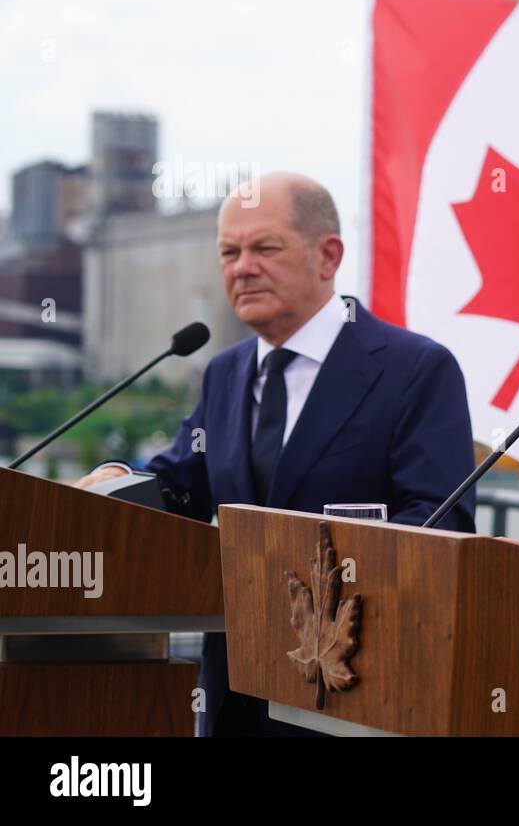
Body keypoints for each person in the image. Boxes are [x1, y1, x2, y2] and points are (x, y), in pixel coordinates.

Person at [77, 171, 477, 735]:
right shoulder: (224, 373)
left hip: (352, 697)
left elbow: (442, 521)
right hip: (233, 698)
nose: (242, 267)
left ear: (328, 256)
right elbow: (179, 489)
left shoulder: (415, 370)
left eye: (264, 247)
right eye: (229, 252)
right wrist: (112, 485)